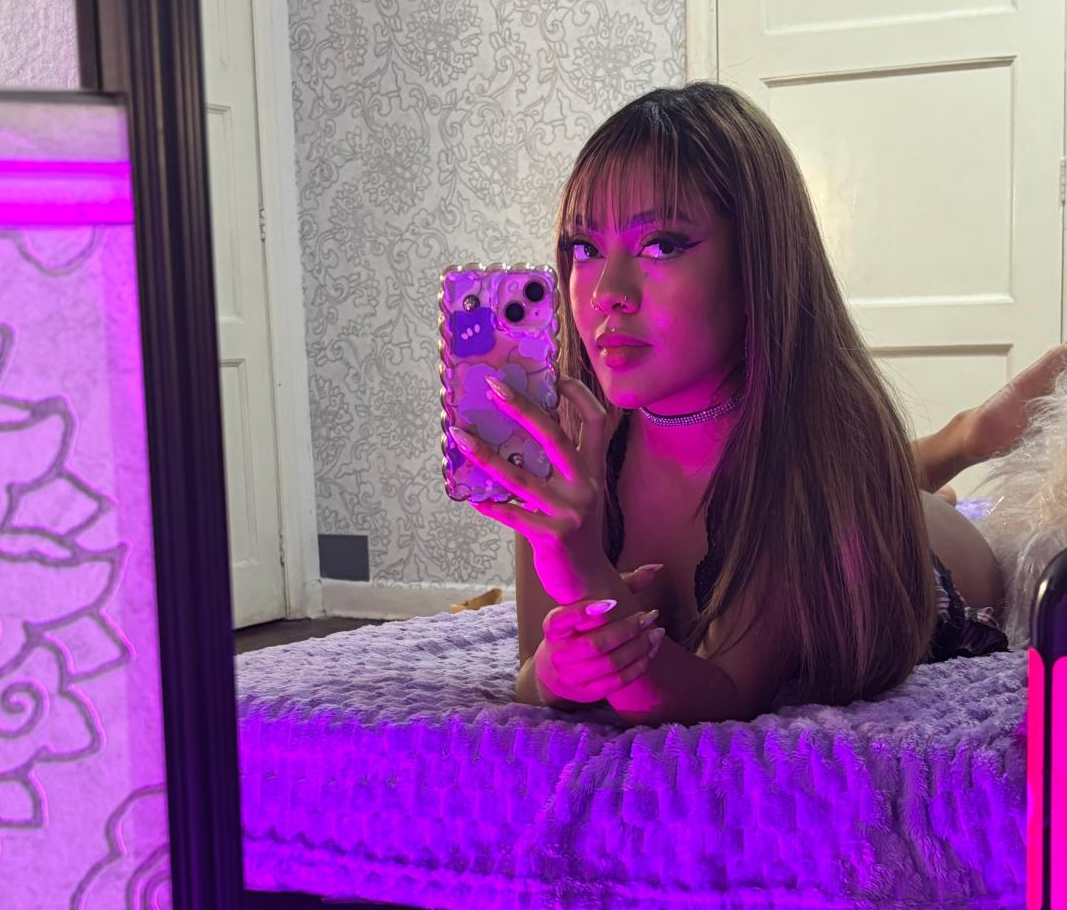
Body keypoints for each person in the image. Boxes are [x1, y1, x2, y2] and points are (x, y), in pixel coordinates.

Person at [449, 82, 1065, 725]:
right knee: (872, 481)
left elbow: (721, 698)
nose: (607, 291)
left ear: (757, 263)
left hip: (932, 561)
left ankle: (965, 440)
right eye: (585, 247)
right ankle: (939, 454)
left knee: (888, 500)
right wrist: (554, 670)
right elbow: (533, 674)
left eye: (661, 244)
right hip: (824, 496)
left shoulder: (810, 461)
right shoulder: (560, 449)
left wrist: (583, 572)